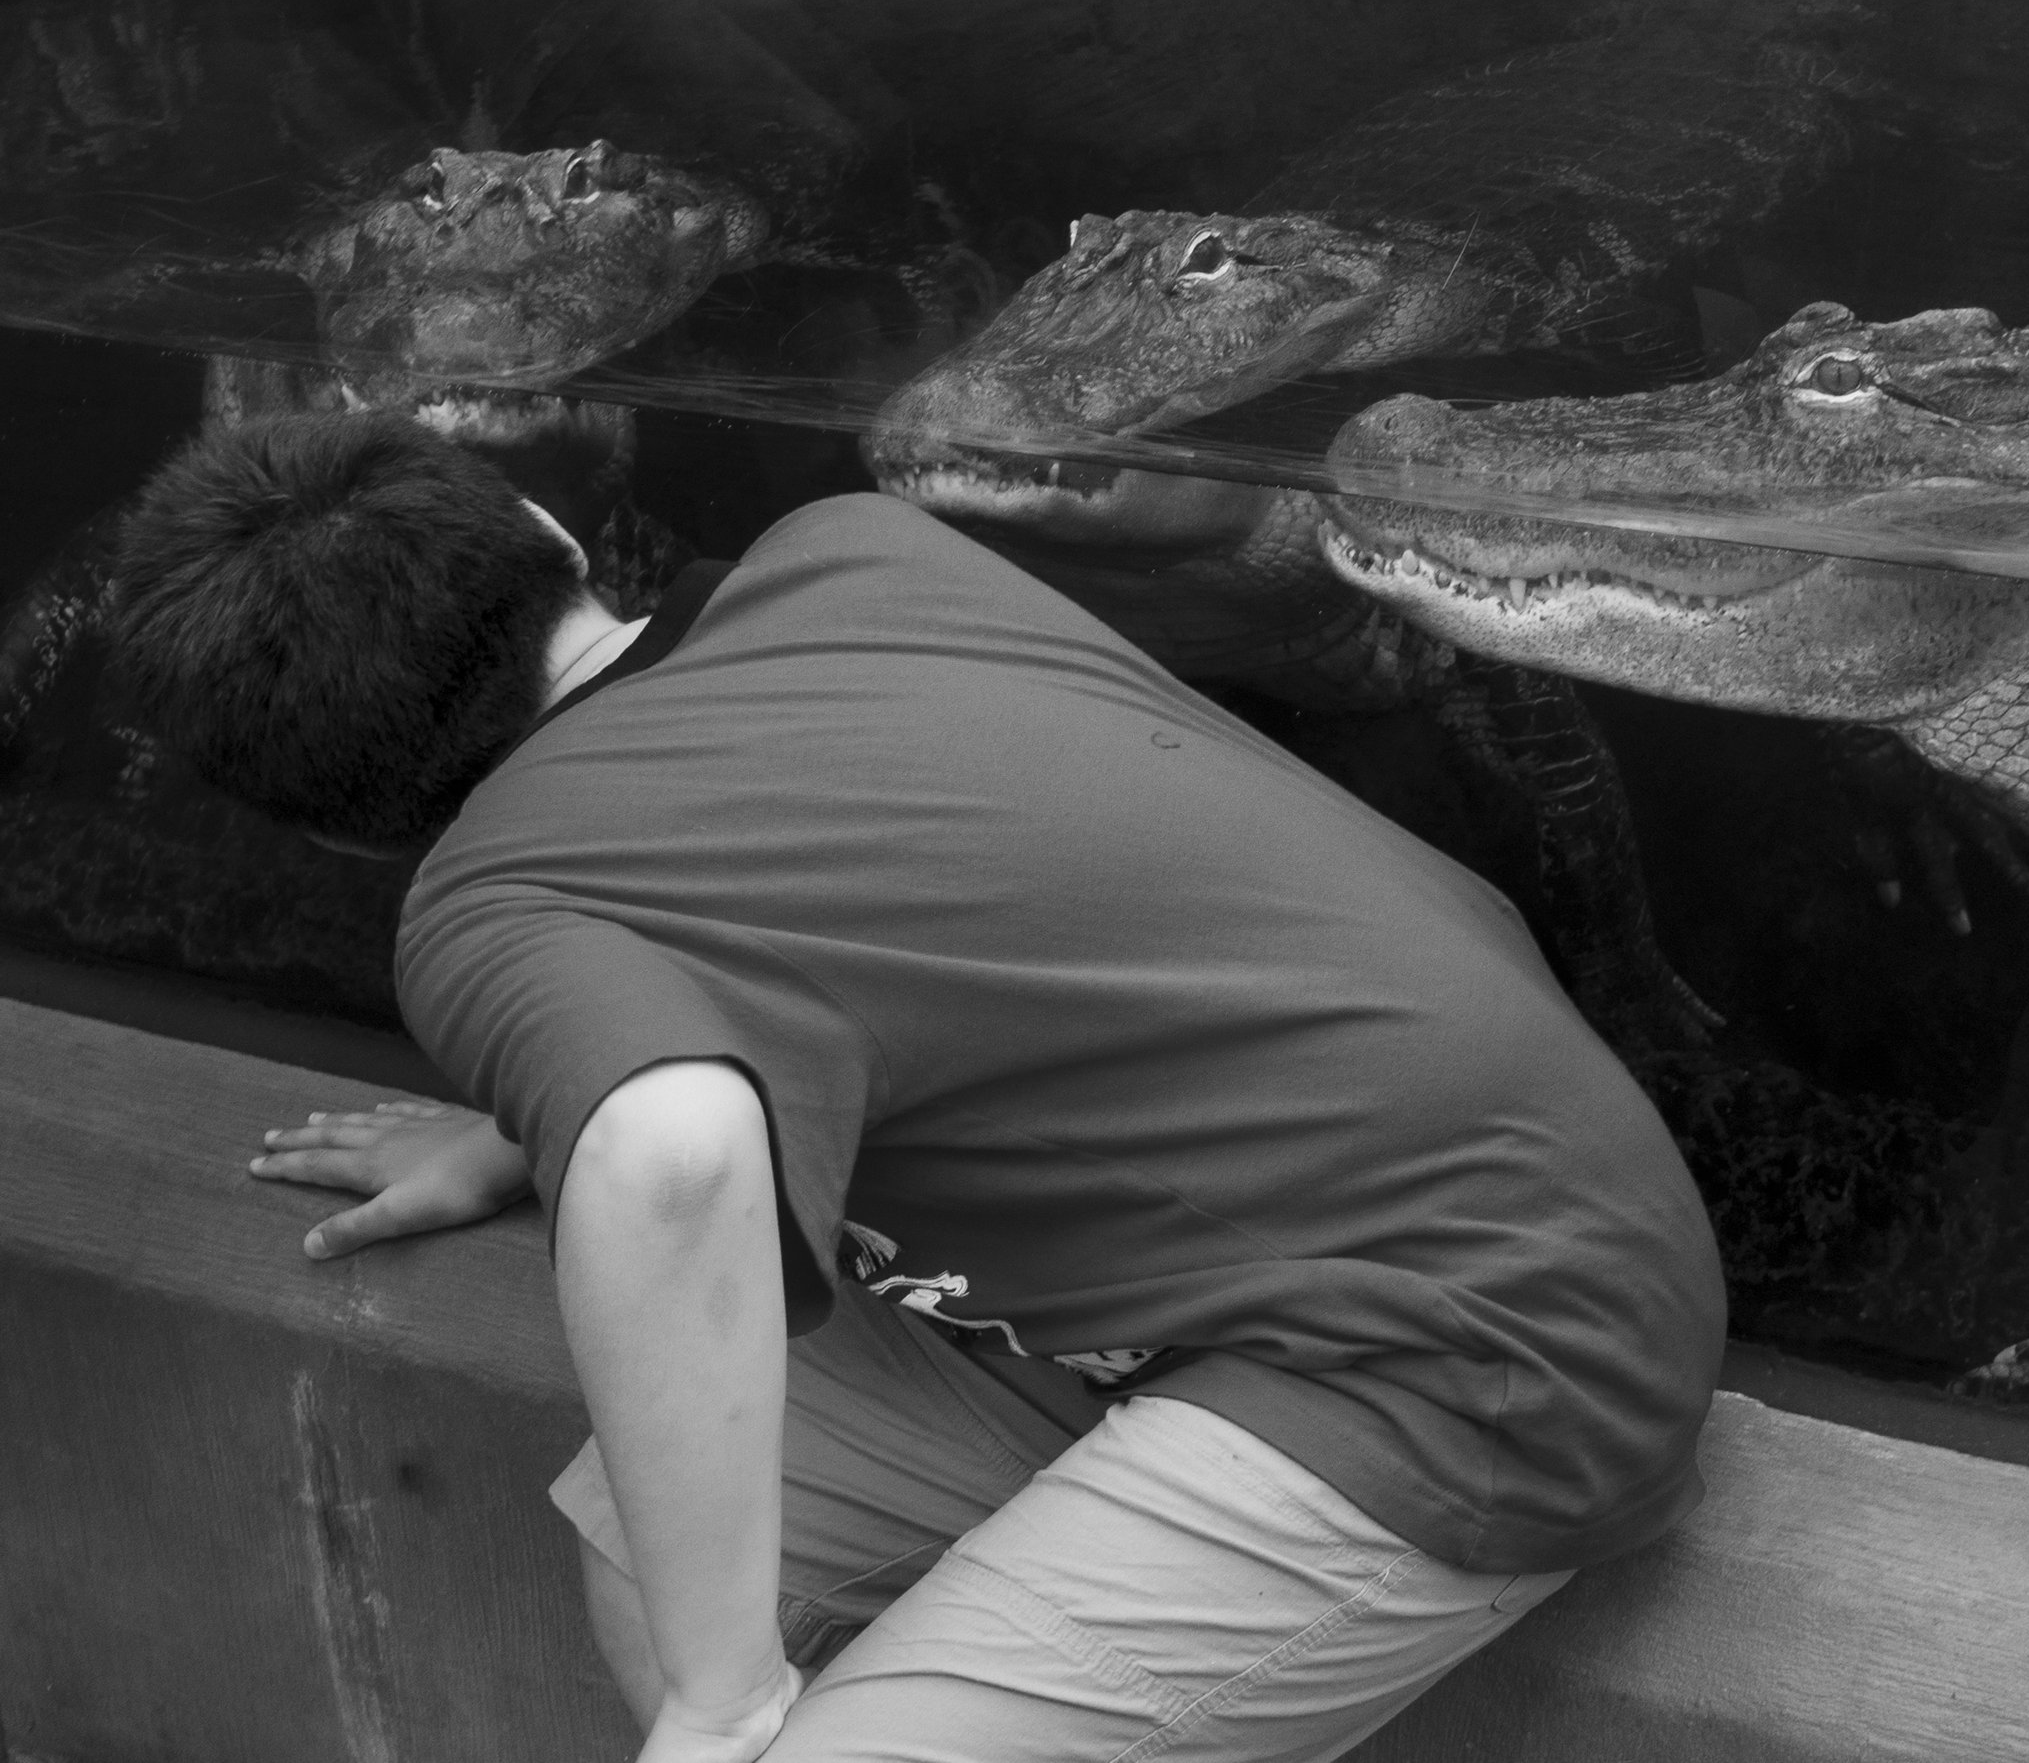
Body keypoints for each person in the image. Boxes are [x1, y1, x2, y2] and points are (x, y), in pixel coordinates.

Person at [111, 410, 1726, 1763]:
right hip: (1405, 1206)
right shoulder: (852, 555)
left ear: (325, 828)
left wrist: (731, 1709)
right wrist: (534, 1119)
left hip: (1468, 1350)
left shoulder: (493, 904)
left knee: (725, 1690)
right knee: (648, 1541)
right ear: (548, 528)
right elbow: (902, 903)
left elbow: (674, 1155)